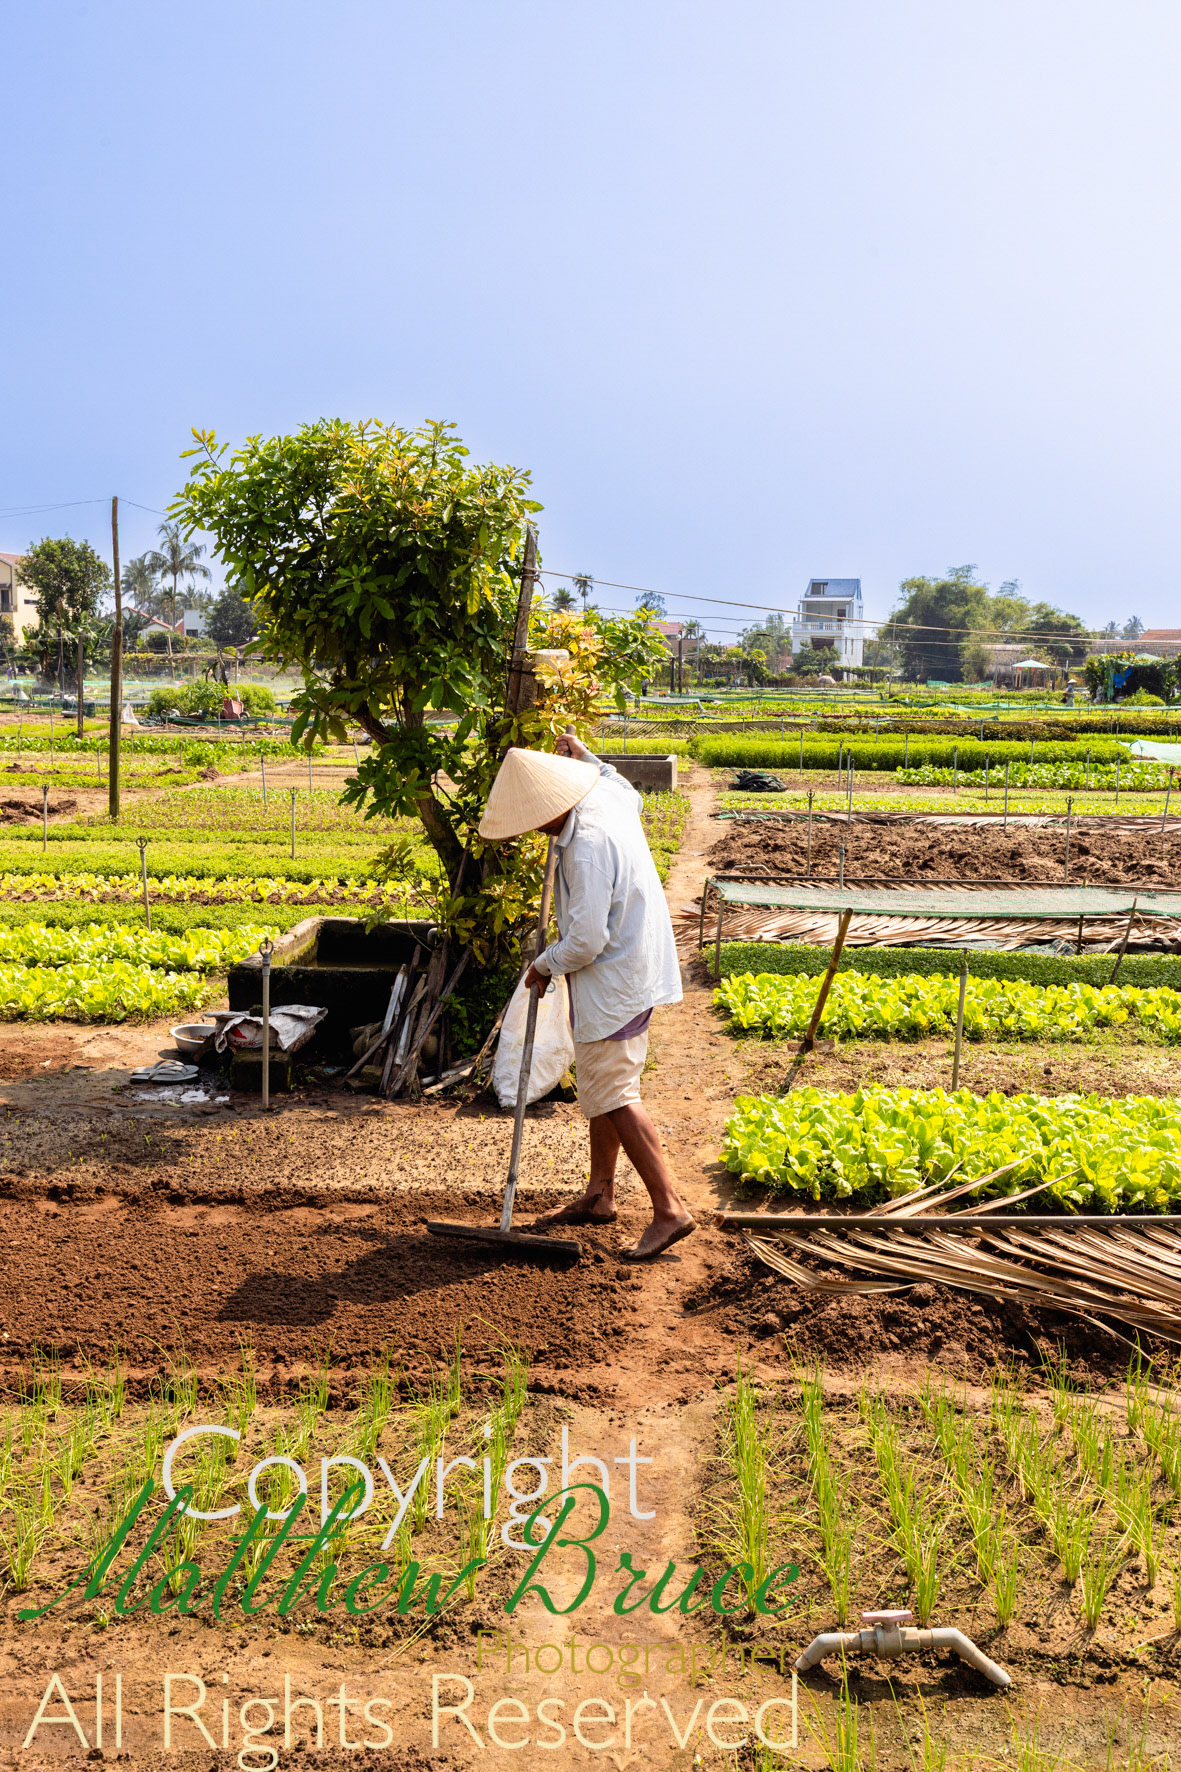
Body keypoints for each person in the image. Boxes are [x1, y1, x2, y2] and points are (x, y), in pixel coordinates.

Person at [478, 735, 695, 1260]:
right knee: (603, 1085)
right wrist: (587, 758)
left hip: (615, 977)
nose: (535, 831)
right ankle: (600, 1193)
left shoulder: (586, 847)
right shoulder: (604, 793)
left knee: (616, 1092)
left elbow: (586, 940)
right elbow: (627, 787)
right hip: (634, 965)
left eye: (536, 822)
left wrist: (543, 965)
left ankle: (668, 1209)